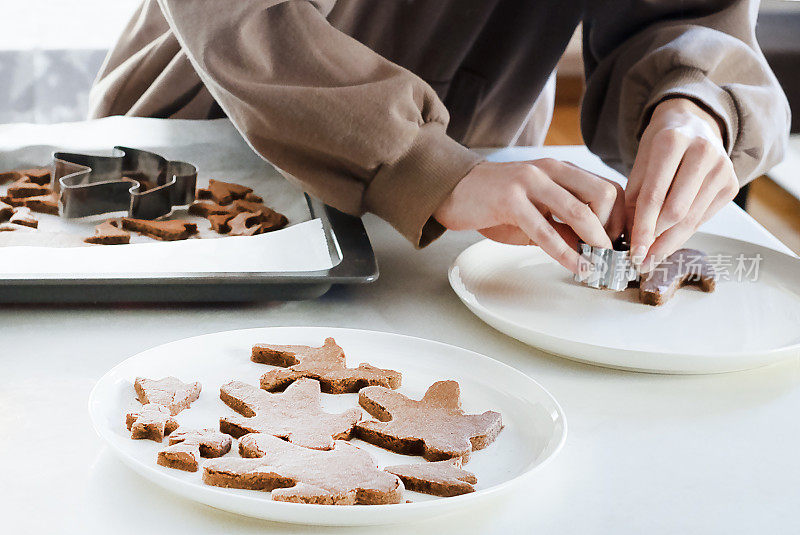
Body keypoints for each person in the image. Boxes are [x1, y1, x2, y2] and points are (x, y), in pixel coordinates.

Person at [89, 0, 790, 273]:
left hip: (478, 215)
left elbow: (677, 15)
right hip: (206, 163)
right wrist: (422, 163)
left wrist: (693, 100)